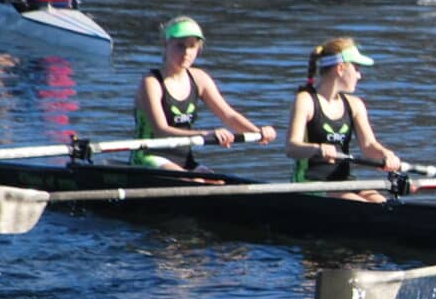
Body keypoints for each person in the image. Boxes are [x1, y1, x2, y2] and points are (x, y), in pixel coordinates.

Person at [132, 16, 275, 171]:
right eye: (180, 46)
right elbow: (161, 129)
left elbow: (228, 116)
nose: (186, 52)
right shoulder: (151, 82)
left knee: (218, 184)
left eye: (192, 46)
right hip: (148, 156)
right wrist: (208, 134)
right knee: (192, 182)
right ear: (166, 45)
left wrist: (258, 131)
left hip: (183, 158)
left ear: (198, 49)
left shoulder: (199, 78)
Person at [286, 36, 402, 199]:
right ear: (340, 68)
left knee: (381, 203)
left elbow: (368, 146)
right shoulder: (305, 100)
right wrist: (317, 149)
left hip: (345, 181)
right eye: (356, 68)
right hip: (311, 182)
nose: (359, 75)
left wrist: (386, 154)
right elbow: (291, 148)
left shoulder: (355, 105)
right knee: (360, 205)